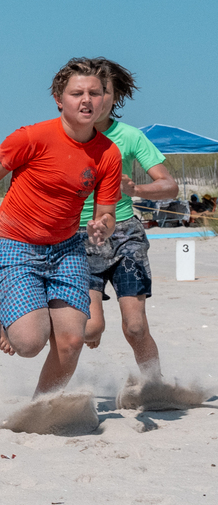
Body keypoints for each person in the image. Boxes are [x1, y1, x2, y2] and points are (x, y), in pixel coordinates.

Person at [0, 60, 121, 397]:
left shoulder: (108, 154)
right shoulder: (31, 137)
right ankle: (13, 315)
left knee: (72, 341)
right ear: (59, 98)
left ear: (104, 100)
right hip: (17, 244)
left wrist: (103, 226)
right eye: (76, 93)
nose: (86, 100)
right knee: (29, 343)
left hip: (66, 248)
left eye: (94, 93)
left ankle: (42, 408)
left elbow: (106, 213)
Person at [79, 60, 177, 381]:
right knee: (92, 327)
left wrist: (136, 188)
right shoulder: (66, 137)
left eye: (103, 91)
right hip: (81, 238)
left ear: (115, 95)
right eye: (89, 91)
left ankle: (155, 386)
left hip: (125, 236)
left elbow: (169, 185)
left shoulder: (130, 137)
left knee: (135, 327)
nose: (94, 98)